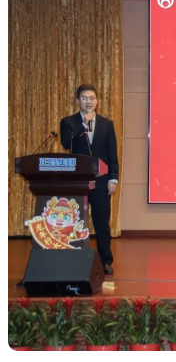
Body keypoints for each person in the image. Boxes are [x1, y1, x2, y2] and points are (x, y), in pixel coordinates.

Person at [60, 83, 119, 275]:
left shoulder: (106, 124)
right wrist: (83, 125)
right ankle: (75, 259)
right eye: (84, 98)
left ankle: (106, 261)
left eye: (92, 98)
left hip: (101, 181)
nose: (89, 102)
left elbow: (112, 153)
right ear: (78, 100)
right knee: (76, 222)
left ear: (97, 100)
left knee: (102, 223)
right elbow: (65, 143)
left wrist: (113, 179)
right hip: (78, 182)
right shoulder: (68, 122)